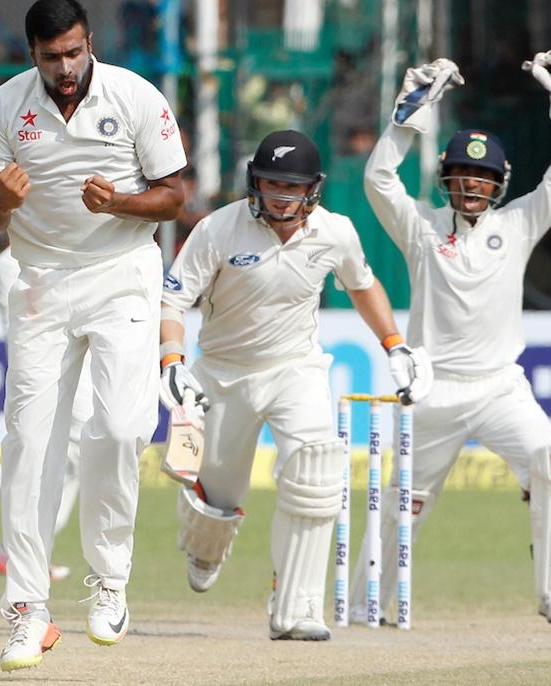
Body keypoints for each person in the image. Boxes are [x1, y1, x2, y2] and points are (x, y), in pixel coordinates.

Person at [0, 0, 186, 672]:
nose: (64, 68)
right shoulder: (4, 107)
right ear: (32, 52)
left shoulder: (135, 95)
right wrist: (2, 201)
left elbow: (174, 194)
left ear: (88, 41)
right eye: (50, 57)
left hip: (122, 271)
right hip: (39, 278)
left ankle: (110, 578)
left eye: (72, 52)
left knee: (122, 429)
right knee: (31, 441)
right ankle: (27, 611)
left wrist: (118, 202)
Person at [159, 129, 432, 641]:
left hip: (296, 369)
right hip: (222, 372)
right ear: (253, 182)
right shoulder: (219, 229)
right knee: (214, 503)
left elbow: (362, 283)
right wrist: (172, 360)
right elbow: (173, 301)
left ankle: (297, 606)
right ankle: (205, 543)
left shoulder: (335, 232)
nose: (279, 195)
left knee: (316, 473)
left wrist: (395, 343)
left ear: (313, 189)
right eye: (269, 183)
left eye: (291, 186)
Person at [349, 49, 551, 625]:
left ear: (499, 184)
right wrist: (406, 120)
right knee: (402, 502)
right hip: (433, 390)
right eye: (463, 176)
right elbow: (379, 179)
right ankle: (364, 603)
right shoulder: (422, 229)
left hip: (501, 388)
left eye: (483, 178)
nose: (472, 186)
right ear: (447, 181)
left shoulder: (519, 225)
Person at [0, 243, 90, 580]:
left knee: (70, 448)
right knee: (74, 434)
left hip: (58, 270)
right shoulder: (14, 260)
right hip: (38, 273)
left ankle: (23, 551)